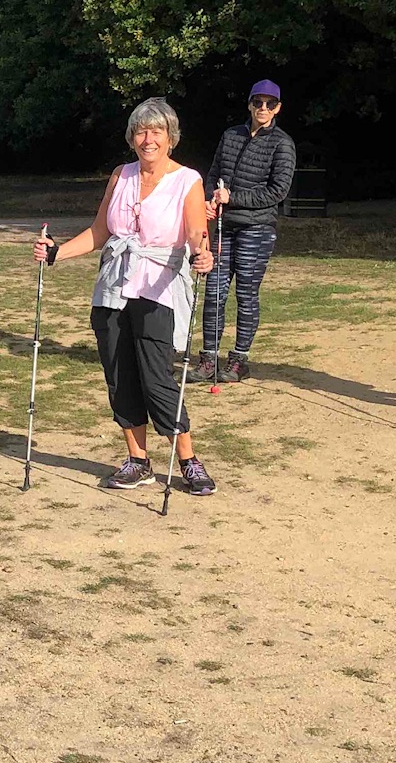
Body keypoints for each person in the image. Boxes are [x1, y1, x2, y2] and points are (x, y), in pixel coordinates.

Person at [34, 97, 218, 495]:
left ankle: (187, 459)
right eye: (140, 130)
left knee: (157, 378)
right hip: (114, 288)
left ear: (171, 137)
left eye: (156, 131)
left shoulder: (187, 179)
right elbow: (102, 231)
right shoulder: (120, 175)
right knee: (119, 376)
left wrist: (201, 252)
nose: (148, 138)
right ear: (132, 137)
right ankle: (138, 460)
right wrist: (56, 252)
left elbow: (193, 230)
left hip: (158, 289)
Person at [197, 79, 298, 382]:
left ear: (278, 108)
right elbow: (214, 173)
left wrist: (233, 198)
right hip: (224, 227)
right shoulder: (231, 136)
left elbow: (278, 191)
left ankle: (239, 359)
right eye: (258, 102)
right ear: (250, 104)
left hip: (257, 228)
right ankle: (209, 358)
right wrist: (209, 198)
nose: (263, 109)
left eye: (270, 104)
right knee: (214, 292)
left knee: (246, 294)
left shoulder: (282, 143)